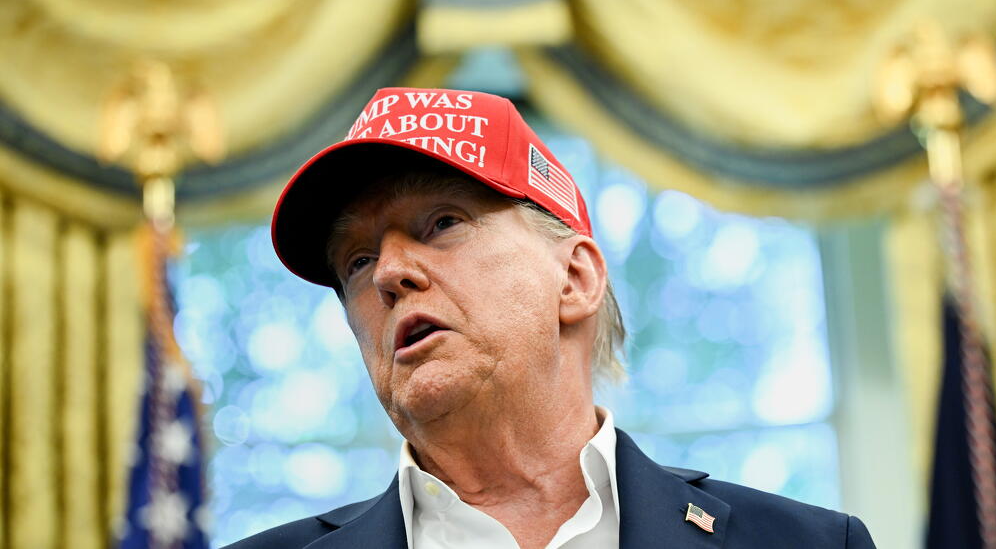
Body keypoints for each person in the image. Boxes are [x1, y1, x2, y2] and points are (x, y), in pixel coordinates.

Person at [229, 88, 876, 548]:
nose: (389, 273)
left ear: (575, 279)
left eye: (442, 223)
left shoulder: (813, 543)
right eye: (357, 261)